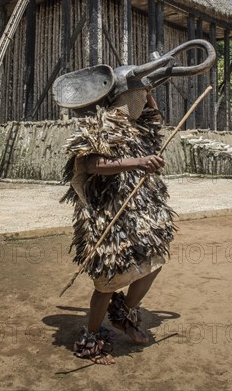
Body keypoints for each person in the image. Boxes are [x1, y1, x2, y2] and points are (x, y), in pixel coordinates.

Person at [61, 86, 177, 364]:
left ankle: (123, 312)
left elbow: (156, 118)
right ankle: (91, 336)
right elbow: (90, 164)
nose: (141, 103)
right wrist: (138, 162)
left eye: (143, 97)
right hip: (106, 216)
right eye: (136, 95)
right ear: (121, 97)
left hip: (137, 216)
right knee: (107, 282)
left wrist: (149, 89)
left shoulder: (139, 127)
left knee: (154, 262)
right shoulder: (101, 125)